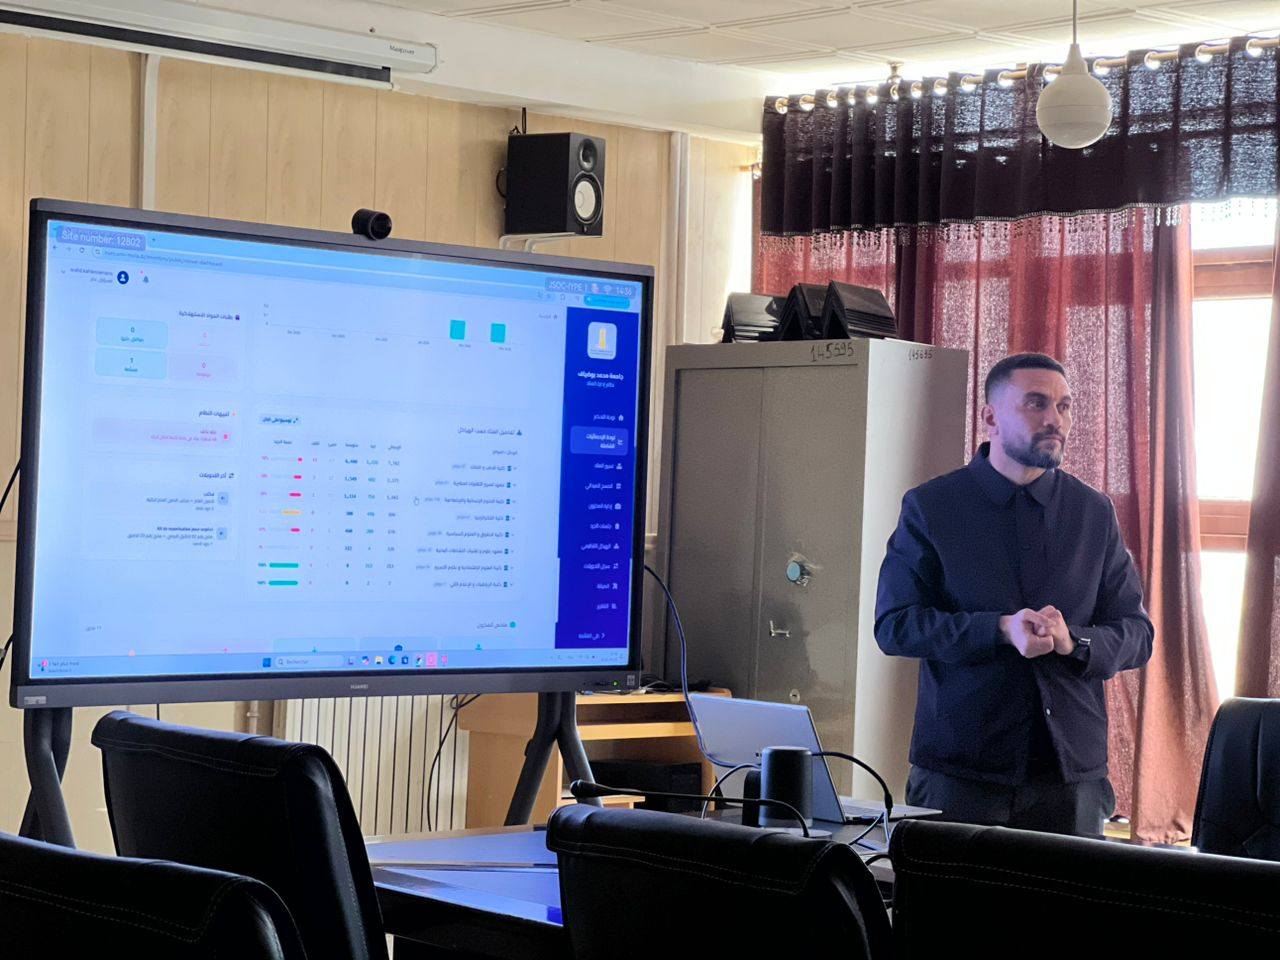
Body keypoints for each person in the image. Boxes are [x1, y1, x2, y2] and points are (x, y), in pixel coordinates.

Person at [874, 352, 1153, 836]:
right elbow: (895, 625)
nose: (1055, 419)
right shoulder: (932, 506)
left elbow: (1137, 634)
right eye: (1036, 403)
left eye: (1064, 406)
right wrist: (1000, 629)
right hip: (961, 771)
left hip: (1070, 776)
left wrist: (1073, 641)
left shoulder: (1093, 513)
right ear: (990, 417)